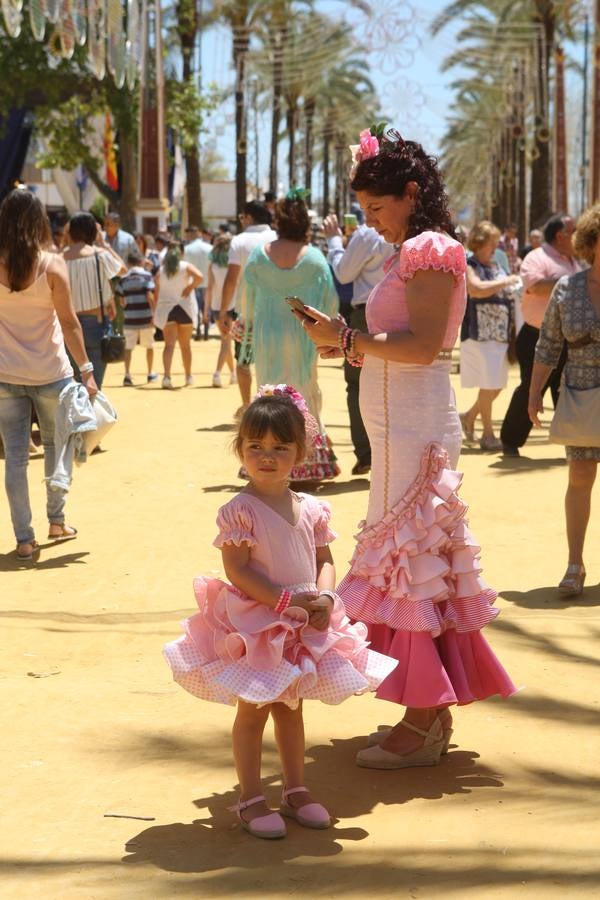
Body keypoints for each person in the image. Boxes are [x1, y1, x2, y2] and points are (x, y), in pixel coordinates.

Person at [298, 125, 516, 769]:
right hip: (402, 426)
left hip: (414, 427)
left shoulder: (427, 248)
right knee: (414, 566)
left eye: (378, 208)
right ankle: (426, 716)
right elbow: (403, 342)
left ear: (412, 193)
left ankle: (422, 721)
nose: (373, 222)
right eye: (365, 212)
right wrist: (342, 340)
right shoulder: (414, 250)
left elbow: (421, 347)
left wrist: (349, 337)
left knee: (412, 564)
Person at [163, 387, 396, 838]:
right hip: (260, 625)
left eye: (279, 448)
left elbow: (324, 559)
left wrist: (325, 600)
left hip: (305, 622)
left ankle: (296, 791)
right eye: (256, 447)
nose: (266, 457)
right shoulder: (239, 511)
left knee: (291, 709)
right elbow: (238, 569)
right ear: (241, 450)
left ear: (302, 452)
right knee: (253, 711)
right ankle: (251, 799)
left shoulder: (312, 508)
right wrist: (287, 603)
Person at [0, 189, 98, 560]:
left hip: (6, 374)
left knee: (15, 458)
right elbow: (70, 324)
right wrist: (87, 370)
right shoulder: (52, 265)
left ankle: (24, 539)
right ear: (40, 221)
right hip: (51, 373)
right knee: (58, 448)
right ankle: (56, 521)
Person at [241, 191, 340, 481]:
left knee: (270, 395)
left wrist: (245, 323)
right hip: (302, 334)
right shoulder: (315, 259)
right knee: (304, 391)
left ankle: (266, 456)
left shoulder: (261, 255)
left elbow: (245, 298)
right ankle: (306, 461)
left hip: (267, 335)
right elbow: (330, 304)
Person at [528, 205, 600, 597]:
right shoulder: (567, 289)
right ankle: (575, 564)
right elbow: (549, 345)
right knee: (580, 477)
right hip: (582, 396)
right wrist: (535, 392)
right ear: (591, 243)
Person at [500, 214, 580, 457]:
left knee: (568, 390)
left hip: (568, 338)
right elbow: (533, 285)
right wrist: (573, 282)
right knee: (531, 387)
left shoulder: (574, 260)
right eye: (573, 231)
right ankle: (510, 440)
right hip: (536, 335)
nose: (578, 236)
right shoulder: (537, 257)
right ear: (560, 235)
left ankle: (576, 442)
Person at [325, 212, 394, 474]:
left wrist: (334, 241)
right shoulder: (411, 231)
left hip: (365, 315)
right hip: (399, 315)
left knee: (357, 385)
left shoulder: (367, 234)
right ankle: (388, 452)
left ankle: (367, 454)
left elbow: (343, 273)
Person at [459, 221, 521, 452]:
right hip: (480, 334)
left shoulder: (496, 265)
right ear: (480, 242)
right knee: (489, 383)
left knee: (496, 385)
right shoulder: (469, 264)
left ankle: (469, 416)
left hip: (500, 334)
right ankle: (487, 434)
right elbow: (475, 289)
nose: (495, 246)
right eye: (492, 242)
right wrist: (506, 281)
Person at [218, 201, 277, 416]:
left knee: (243, 362)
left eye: (243, 217)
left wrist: (224, 310)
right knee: (272, 361)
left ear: (249, 217)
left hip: (248, 312)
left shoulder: (240, 241)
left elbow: (232, 278)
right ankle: (271, 405)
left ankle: (246, 405)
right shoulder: (277, 238)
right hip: (276, 312)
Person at [63, 212, 125, 389]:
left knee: (73, 386)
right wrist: (104, 244)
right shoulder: (100, 255)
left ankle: (77, 416)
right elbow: (123, 269)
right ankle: (91, 416)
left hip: (68, 324)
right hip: (96, 324)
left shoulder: (60, 259)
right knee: (94, 386)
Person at [153, 243, 203, 389]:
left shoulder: (161, 270)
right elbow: (199, 277)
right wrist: (189, 287)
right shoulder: (185, 266)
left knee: (168, 345)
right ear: (181, 253)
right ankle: (188, 376)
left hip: (167, 310)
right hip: (185, 308)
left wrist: (155, 311)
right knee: (185, 346)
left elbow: (156, 291)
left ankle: (167, 377)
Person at [114, 249, 157, 386]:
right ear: (141, 261)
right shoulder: (147, 276)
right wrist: (154, 314)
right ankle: (150, 373)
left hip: (130, 318)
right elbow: (150, 296)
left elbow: (121, 301)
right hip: (145, 317)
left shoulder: (124, 279)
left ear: (129, 263)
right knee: (149, 346)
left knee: (128, 348)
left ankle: (127, 375)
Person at [206, 234, 235, 387]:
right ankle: (217, 373)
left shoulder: (212, 266)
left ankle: (233, 373)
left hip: (216, 306)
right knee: (226, 341)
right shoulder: (233, 264)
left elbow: (209, 288)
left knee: (226, 341)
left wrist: (205, 310)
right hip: (230, 305)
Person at [184, 225, 213, 341]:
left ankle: (198, 331)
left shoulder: (187, 249)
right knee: (206, 308)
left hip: (193, 282)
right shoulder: (209, 248)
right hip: (207, 282)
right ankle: (206, 331)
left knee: (195, 307)